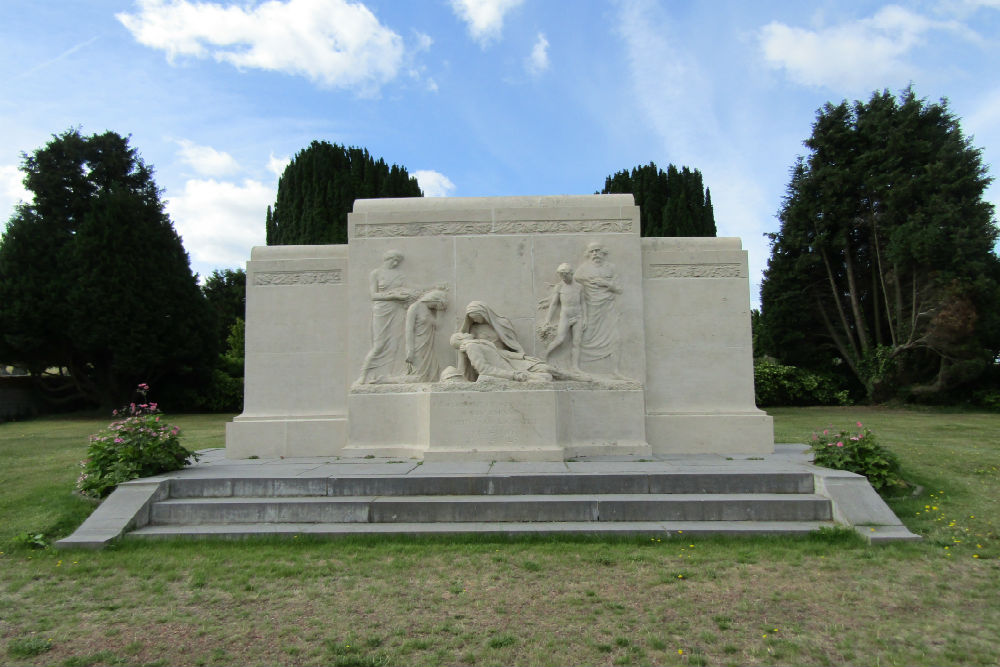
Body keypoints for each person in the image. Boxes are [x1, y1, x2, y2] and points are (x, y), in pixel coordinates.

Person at [355, 250, 418, 384]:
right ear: (386, 259)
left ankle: (387, 375)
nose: (395, 263)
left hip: (398, 310)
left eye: (398, 261)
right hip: (381, 310)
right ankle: (363, 376)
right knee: (379, 345)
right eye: (393, 260)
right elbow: (373, 295)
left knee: (394, 344)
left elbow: (408, 290)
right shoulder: (376, 273)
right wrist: (393, 296)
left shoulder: (400, 275)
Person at [574, 242, 624, 376]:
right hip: (591, 308)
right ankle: (583, 369)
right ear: (588, 254)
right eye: (592, 251)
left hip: (608, 308)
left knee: (615, 338)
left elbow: (619, 289)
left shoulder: (611, 268)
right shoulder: (583, 269)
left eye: (597, 250)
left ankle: (615, 371)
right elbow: (575, 283)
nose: (595, 254)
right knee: (587, 338)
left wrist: (606, 283)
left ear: (603, 252)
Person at [542, 263, 585, 370]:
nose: (563, 278)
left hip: (578, 316)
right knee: (559, 339)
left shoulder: (579, 287)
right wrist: (548, 319)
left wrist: (586, 318)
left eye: (565, 275)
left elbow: (583, 303)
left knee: (577, 342)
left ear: (571, 273)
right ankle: (544, 357)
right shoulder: (559, 286)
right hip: (565, 316)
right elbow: (554, 304)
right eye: (561, 276)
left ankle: (575, 367)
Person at [402, 289, 448, 382]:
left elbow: (438, 326)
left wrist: (440, 311)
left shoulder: (429, 311)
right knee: (418, 376)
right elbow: (409, 330)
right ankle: (386, 380)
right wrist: (409, 350)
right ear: (433, 299)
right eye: (436, 305)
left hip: (428, 347)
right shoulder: (414, 307)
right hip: (418, 347)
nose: (435, 307)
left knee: (433, 376)